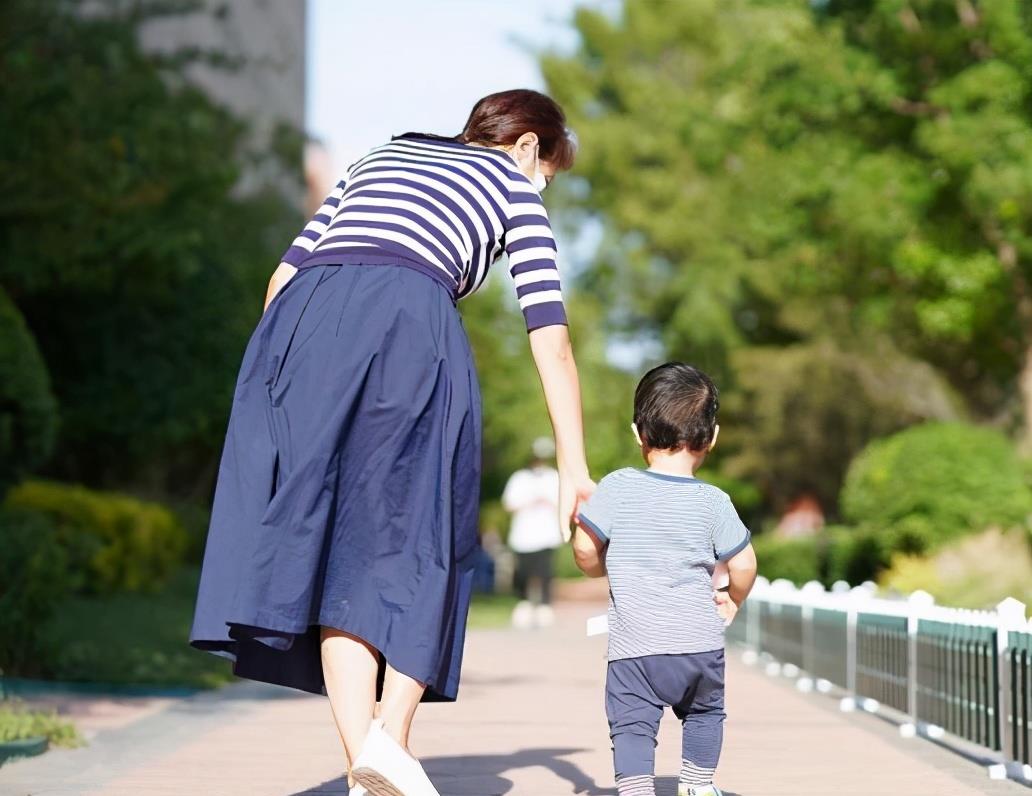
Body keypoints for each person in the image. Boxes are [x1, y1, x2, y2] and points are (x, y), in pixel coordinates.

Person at [189, 89, 595, 796]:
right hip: (408, 319)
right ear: (529, 146)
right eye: (549, 175)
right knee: (427, 535)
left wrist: (282, 390)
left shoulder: (381, 155)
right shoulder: (510, 181)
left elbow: (281, 276)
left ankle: (367, 765)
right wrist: (573, 465)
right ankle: (392, 737)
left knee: (339, 555)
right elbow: (549, 335)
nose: (543, 188)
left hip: (303, 324)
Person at [571, 362, 758, 796]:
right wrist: (732, 598)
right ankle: (698, 785)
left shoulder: (616, 487)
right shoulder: (714, 501)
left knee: (632, 726)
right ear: (712, 437)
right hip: (699, 645)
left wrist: (600, 567)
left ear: (638, 433)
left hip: (635, 648)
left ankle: (637, 790)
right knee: (705, 714)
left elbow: (584, 548)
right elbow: (745, 564)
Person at [502, 436, 564, 628]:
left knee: (545, 572)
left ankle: (544, 606)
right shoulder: (520, 478)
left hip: (546, 534)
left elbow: (562, 503)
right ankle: (524, 603)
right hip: (523, 535)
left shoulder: (554, 477)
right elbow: (509, 504)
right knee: (522, 572)